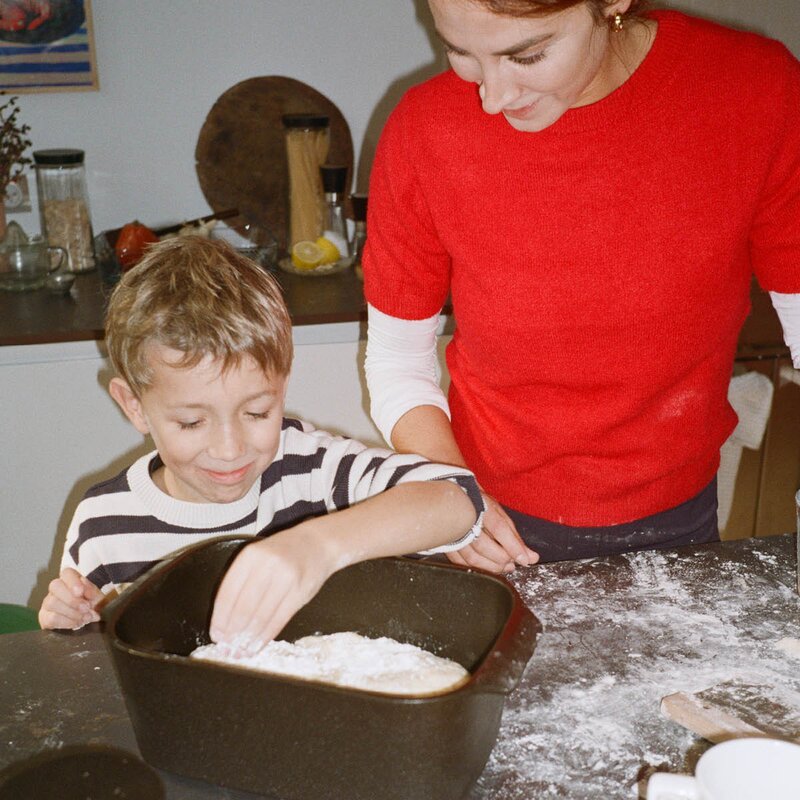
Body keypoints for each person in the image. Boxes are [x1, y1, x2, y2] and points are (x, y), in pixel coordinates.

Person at [363, 0, 800, 573]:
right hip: (489, 521)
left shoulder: (752, 90)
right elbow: (397, 361)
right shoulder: (425, 128)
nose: (492, 97)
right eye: (461, 53)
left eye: (528, 54)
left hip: (681, 514)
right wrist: (449, 492)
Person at [38, 236, 484, 648]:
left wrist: (317, 547)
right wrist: (72, 623)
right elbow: (99, 665)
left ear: (282, 387)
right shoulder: (103, 527)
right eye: (192, 422)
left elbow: (456, 498)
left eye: (256, 413)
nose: (230, 449)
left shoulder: (312, 472)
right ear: (134, 405)